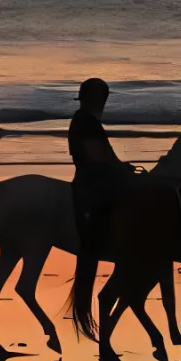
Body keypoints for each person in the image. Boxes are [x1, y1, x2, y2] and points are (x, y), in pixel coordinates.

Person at [68, 76, 134, 258]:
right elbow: (98, 155)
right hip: (92, 181)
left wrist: (120, 166)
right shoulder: (87, 121)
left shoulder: (82, 119)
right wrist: (120, 169)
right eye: (102, 100)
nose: (103, 104)